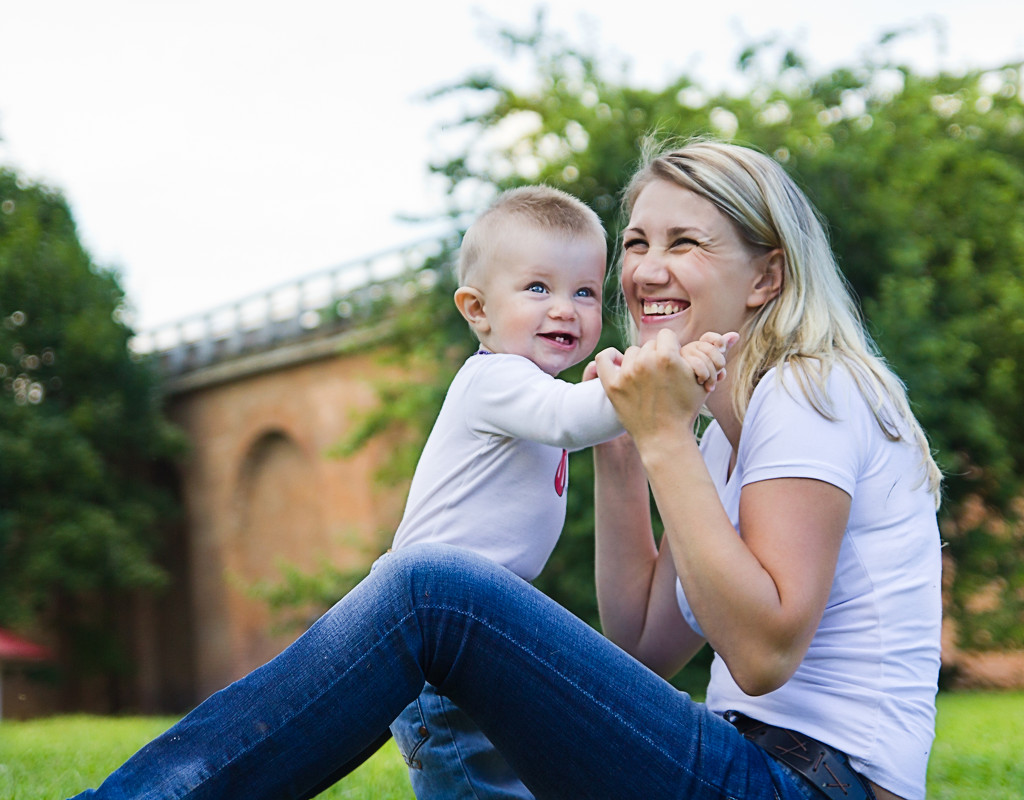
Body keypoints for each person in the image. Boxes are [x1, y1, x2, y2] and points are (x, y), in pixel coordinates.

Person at [68, 139, 942, 800]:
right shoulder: (722, 431)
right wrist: (627, 452)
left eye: (685, 243)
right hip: (744, 759)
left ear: (765, 279)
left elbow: (761, 653)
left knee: (431, 590)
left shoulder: (809, 388)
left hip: (810, 783)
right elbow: (642, 644)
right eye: (635, 243)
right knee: (434, 592)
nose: (642, 271)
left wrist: (665, 438)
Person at [376, 184, 731, 799]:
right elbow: (574, 417)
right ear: (477, 310)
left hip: (473, 642)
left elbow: (578, 413)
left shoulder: (535, 389)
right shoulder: (496, 380)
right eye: (538, 288)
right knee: (476, 786)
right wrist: (662, 374)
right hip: (438, 651)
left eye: (585, 292)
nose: (565, 309)